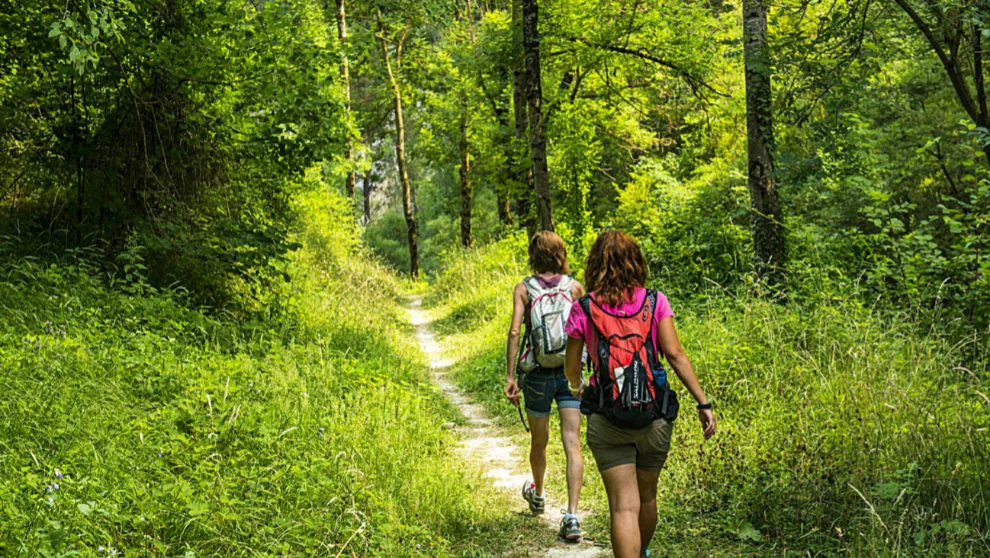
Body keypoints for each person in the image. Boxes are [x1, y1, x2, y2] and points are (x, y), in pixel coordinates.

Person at [563, 230, 716, 558]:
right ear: (635, 262)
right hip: (654, 417)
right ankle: (642, 550)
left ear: (594, 264)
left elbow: (572, 367)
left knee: (623, 507)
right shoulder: (655, 301)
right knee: (647, 498)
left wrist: (578, 387)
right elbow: (675, 354)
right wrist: (702, 402)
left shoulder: (583, 308)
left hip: (607, 417)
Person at [504, 231, 586, 541]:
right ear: (561, 254)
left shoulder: (524, 288)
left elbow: (515, 332)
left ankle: (538, 494)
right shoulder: (574, 287)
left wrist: (511, 377)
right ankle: (573, 516)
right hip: (570, 373)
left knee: (539, 441)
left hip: (537, 374)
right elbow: (586, 329)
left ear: (533, 256)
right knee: (572, 442)